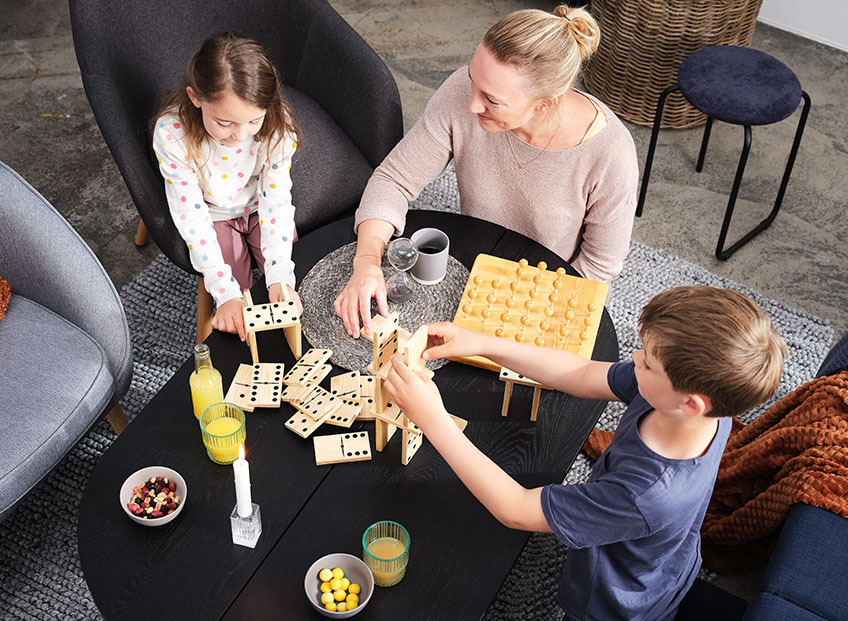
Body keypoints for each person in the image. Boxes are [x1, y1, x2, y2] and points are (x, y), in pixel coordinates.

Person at [383, 286, 786, 620]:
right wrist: (484, 343)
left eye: (647, 362)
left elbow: (516, 509)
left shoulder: (645, 494)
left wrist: (432, 418)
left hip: (614, 599)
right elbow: (579, 373)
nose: (635, 359)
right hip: (666, 557)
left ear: (691, 403)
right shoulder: (691, 406)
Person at [335, 5, 639, 338]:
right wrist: (365, 262)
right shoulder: (461, 94)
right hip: (472, 262)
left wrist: (519, 314)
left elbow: (598, 266)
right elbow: (394, 180)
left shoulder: (611, 152)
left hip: (547, 286)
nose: (472, 105)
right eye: (472, 81)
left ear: (543, 105)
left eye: (491, 100)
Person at [152, 32, 302, 341]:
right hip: (213, 215)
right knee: (240, 300)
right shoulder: (172, 135)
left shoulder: (277, 126)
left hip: (260, 208)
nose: (240, 136)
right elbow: (191, 219)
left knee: (291, 282)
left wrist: (280, 276)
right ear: (196, 99)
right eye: (224, 123)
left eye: (253, 122)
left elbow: (276, 201)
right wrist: (225, 292)